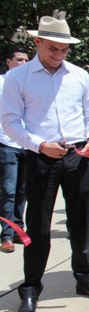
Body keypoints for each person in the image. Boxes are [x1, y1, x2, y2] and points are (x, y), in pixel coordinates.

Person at [1, 16, 89, 312]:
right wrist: (39, 145)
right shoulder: (18, 78)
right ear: (36, 42)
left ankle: (84, 277)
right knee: (38, 225)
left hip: (78, 153)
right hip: (41, 156)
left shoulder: (78, 76)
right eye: (53, 48)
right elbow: (10, 121)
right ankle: (31, 287)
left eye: (64, 49)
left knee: (80, 222)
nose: (59, 54)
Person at [0, 47, 29, 253]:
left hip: (28, 144)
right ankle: (7, 236)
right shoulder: (2, 82)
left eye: (27, 59)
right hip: (6, 143)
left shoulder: (31, 83)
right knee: (8, 192)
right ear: (8, 62)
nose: (24, 63)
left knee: (23, 191)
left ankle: (19, 230)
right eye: (19, 59)